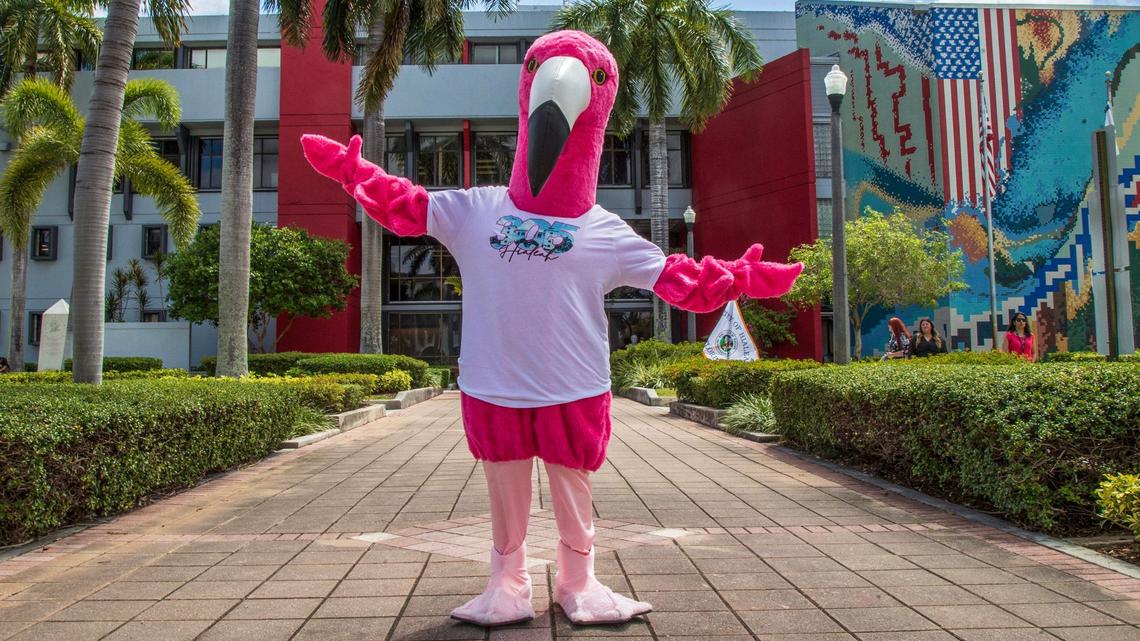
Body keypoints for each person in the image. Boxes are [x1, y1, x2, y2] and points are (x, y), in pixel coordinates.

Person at [300, 29, 803, 628]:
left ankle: (578, 581)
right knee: (505, 495)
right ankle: (506, 584)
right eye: (538, 65)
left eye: (589, 76)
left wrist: (738, 278)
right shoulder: (475, 210)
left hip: (575, 387)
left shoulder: (606, 230)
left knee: (573, 493)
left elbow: (680, 279)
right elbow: (406, 207)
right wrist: (355, 176)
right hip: (495, 387)